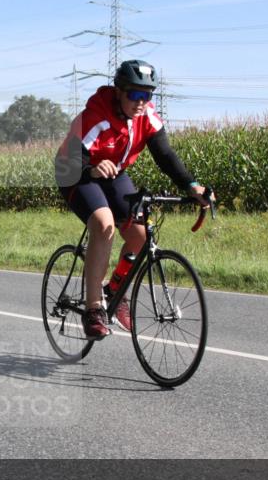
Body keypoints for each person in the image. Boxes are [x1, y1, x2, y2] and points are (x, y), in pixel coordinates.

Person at [55, 59, 211, 339]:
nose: (141, 102)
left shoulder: (146, 117)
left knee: (139, 234)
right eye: (134, 94)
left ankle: (115, 291)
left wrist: (192, 185)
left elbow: (165, 155)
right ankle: (93, 310)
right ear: (118, 91)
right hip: (75, 170)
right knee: (104, 225)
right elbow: (76, 155)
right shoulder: (98, 115)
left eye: (147, 95)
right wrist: (91, 168)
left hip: (113, 171)